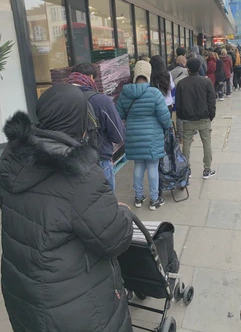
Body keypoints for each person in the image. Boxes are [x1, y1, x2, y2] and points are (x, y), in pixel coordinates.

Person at [0, 84, 133, 332]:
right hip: (72, 303)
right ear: (79, 119)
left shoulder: (12, 158)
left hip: (22, 291)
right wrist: (123, 212)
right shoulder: (80, 174)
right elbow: (113, 239)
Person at [116, 61, 171, 210]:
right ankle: (154, 200)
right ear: (148, 74)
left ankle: (138, 198)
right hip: (152, 136)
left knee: (138, 165)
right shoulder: (154, 93)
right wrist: (168, 127)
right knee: (152, 166)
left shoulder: (125, 93)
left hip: (133, 135)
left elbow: (119, 114)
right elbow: (165, 117)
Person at [66, 63, 125, 192]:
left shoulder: (59, 100)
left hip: (69, 163)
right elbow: (118, 135)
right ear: (91, 78)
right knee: (105, 206)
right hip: (99, 161)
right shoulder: (101, 101)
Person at [176, 58, 216, 179]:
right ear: (199, 68)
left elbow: (179, 103)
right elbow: (211, 101)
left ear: (187, 69)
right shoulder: (206, 82)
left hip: (188, 119)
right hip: (204, 118)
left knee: (186, 145)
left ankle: (187, 169)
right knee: (207, 144)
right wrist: (211, 115)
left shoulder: (181, 83)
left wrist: (182, 116)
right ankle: (207, 169)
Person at [171, 56, 189, 143]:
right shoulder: (186, 72)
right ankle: (185, 135)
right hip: (185, 96)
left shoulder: (170, 72)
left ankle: (179, 136)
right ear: (184, 63)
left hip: (174, 97)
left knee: (178, 116)